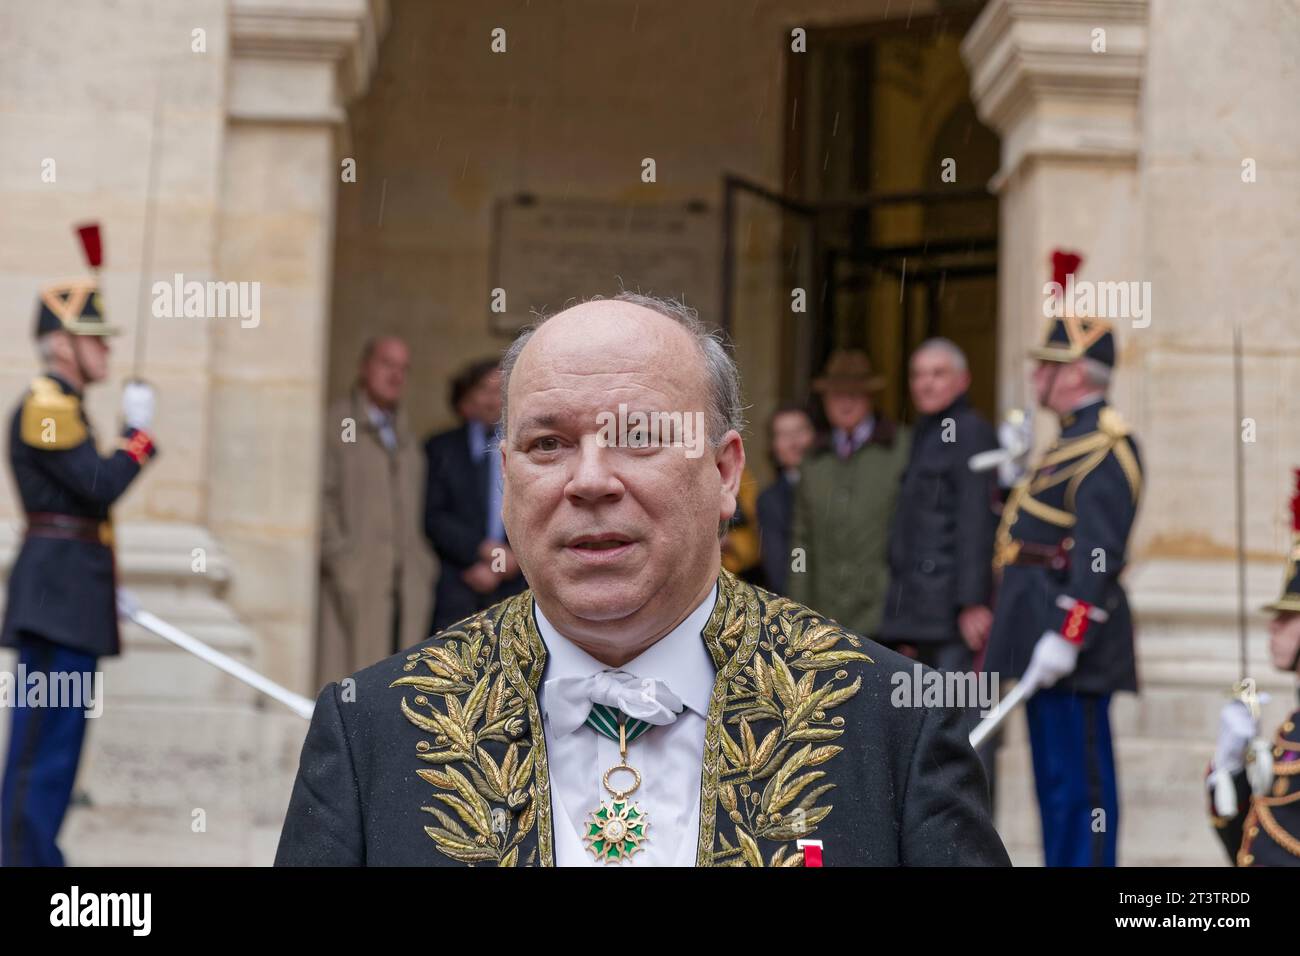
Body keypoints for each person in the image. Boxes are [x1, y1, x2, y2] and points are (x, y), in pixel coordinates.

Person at [276, 293, 1008, 867]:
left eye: (640, 436)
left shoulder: (891, 728)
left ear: (725, 474)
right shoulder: (372, 730)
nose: (590, 480)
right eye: (548, 443)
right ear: (506, 481)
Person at [1, 224, 160, 866]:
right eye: (94, 340)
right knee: (42, 747)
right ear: (63, 345)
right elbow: (96, 486)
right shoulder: (47, 402)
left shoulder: (66, 404)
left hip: (70, 592)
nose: (105, 352)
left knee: (59, 746)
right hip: (56, 594)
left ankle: (36, 856)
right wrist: (137, 438)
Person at [984, 300, 1143, 867]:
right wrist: (1011, 476)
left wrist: (1069, 634)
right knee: (1055, 782)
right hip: (1038, 628)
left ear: (1074, 373)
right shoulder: (1065, 443)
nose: (1035, 376)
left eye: (1047, 365)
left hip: (1069, 640)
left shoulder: (1105, 447)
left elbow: (1099, 558)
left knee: (1081, 788)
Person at [317, 335, 436, 685]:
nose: (396, 375)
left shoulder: (407, 436)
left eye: (404, 369)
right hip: (357, 578)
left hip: (405, 584)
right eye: (387, 364)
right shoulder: (338, 425)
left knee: (397, 682)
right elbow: (321, 500)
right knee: (351, 681)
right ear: (365, 367)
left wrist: (421, 566)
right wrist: (342, 561)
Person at [880, 339, 998, 669]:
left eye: (938, 374)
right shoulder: (923, 432)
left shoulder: (971, 430)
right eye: (918, 375)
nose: (925, 383)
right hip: (920, 611)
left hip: (952, 612)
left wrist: (972, 603)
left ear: (963, 380)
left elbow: (976, 519)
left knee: (957, 712)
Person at [1206, 470, 1300, 866]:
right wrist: (1229, 773)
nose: (1272, 627)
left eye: (1287, 617)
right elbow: (1246, 844)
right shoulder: (1290, 728)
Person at [787, 350, 910, 641]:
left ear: (870, 398)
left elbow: (914, 537)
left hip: (885, 618)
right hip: (824, 620)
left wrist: (906, 617)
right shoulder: (813, 459)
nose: (845, 402)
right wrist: (797, 613)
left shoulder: (901, 449)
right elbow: (800, 541)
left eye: (855, 393)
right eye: (836, 394)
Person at [423, 359, 525, 634]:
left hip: (518, 582)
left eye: (499, 390)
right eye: (484, 389)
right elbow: (434, 516)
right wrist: (480, 553)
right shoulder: (441, 448)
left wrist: (512, 558)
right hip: (459, 580)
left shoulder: (528, 446)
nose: (493, 399)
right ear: (469, 395)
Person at [757, 404, 815, 595]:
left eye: (799, 431)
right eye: (783, 435)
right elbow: (783, 564)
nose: (794, 442)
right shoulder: (770, 501)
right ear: (773, 446)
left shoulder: (837, 487)